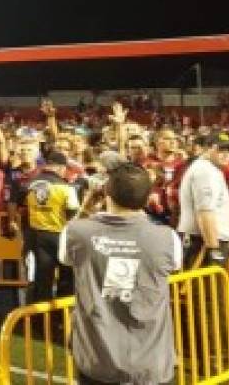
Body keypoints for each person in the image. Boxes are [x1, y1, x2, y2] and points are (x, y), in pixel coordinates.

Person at [58, 163, 182, 385]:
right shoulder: (168, 238)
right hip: (151, 363)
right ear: (147, 198)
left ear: (106, 193)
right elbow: (174, 266)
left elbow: (65, 257)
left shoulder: (77, 232)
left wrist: (86, 208)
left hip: (98, 361)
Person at [23, 152, 79, 303]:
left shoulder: (29, 184)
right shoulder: (66, 187)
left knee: (41, 279)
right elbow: (73, 212)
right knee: (66, 277)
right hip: (60, 236)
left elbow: (21, 208)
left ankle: (40, 321)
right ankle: (62, 319)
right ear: (61, 168)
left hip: (36, 237)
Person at [177, 133, 229, 269]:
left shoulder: (208, 169)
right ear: (206, 149)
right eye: (220, 149)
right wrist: (213, 248)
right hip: (202, 242)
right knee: (208, 289)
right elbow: (205, 212)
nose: (226, 154)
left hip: (201, 240)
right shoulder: (206, 171)